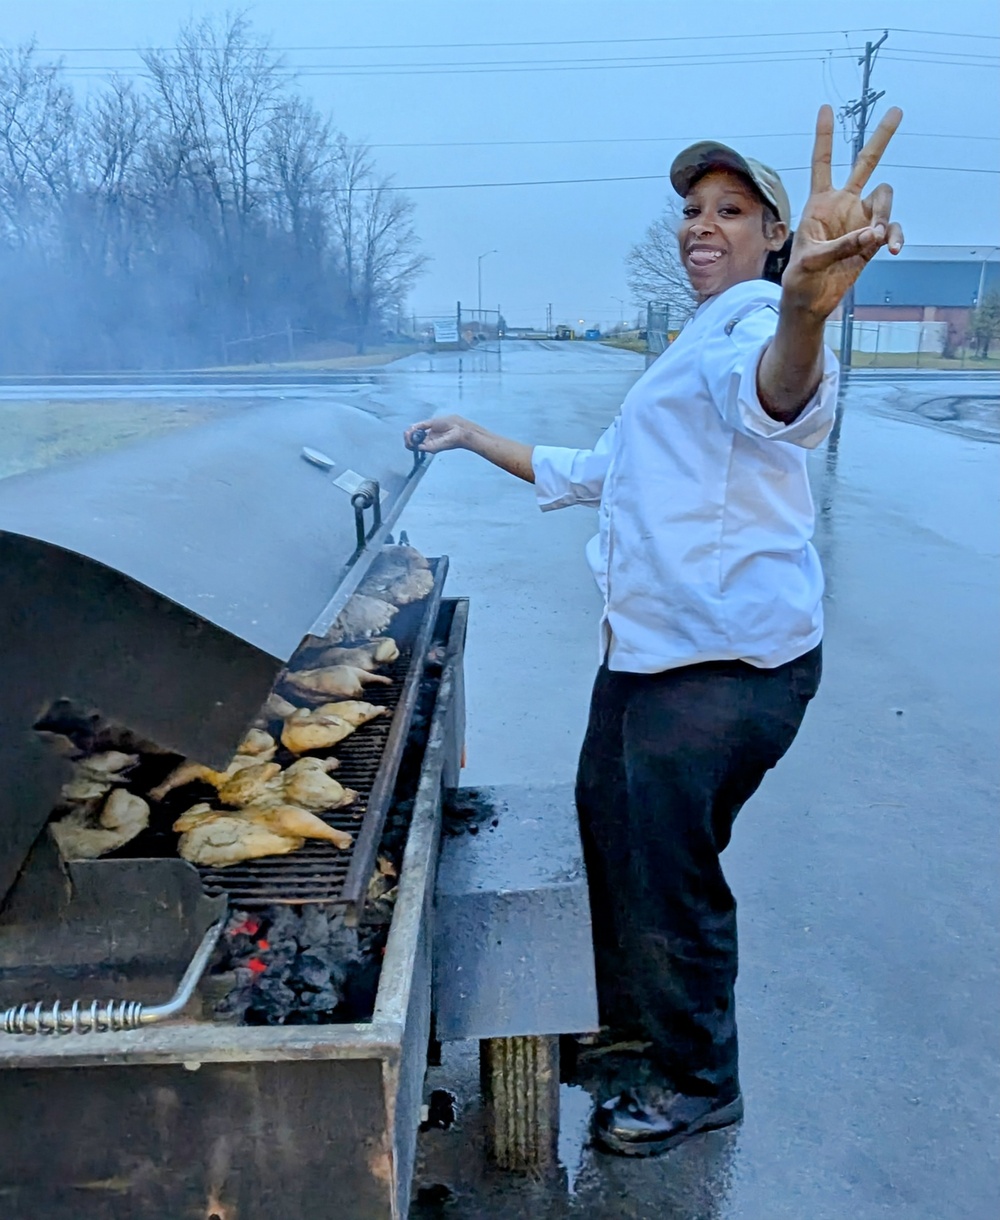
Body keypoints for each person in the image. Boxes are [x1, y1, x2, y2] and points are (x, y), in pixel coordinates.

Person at [404, 105, 904, 1157]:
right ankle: (627, 1025)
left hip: (722, 668)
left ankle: (698, 1077)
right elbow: (603, 470)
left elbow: (779, 398)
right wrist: (472, 434)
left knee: (670, 871)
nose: (699, 226)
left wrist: (806, 308)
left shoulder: (754, 325)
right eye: (690, 209)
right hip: (647, 658)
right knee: (608, 828)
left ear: (777, 234)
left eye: (730, 210)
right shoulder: (690, 338)